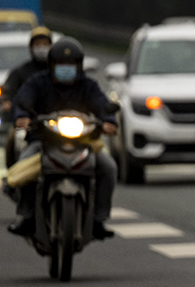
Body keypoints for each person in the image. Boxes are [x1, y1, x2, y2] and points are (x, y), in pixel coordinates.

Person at [7, 37, 119, 239]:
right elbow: (23, 98)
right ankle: (27, 217)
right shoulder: (38, 82)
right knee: (24, 167)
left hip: (83, 142)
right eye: (61, 64)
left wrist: (109, 120)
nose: (66, 68)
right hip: (43, 141)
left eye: (71, 64)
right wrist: (22, 116)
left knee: (109, 167)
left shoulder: (88, 85)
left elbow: (102, 104)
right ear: (52, 65)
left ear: (79, 65)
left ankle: (98, 220)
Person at [0, 27, 54, 169]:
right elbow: (10, 91)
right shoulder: (22, 73)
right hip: (30, 124)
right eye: (38, 45)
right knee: (13, 138)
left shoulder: (58, 73)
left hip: (58, 123)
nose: (42, 48)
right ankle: (13, 175)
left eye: (45, 44)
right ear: (31, 48)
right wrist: (9, 103)